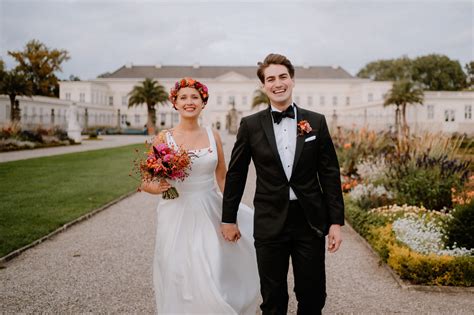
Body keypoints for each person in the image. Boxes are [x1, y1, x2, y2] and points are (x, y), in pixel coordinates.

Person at [221, 53, 345, 314]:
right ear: (263, 86)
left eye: (282, 77)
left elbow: (330, 174)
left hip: (309, 220)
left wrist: (335, 222)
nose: (277, 83)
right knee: (273, 297)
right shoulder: (250, 125)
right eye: (271, 79)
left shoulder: (316, 122)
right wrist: (228, 218)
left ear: (292, 80)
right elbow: (236, 174)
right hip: (269, 220)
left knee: (312, 295)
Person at [140, 77, 259, 314]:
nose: (189, 102)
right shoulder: (164, 138)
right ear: (174, 103)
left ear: (203, 102)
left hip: (209, 208)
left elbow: (223, 177)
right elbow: (146, 180)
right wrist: (157, 187)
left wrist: (231, 215)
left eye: (194, 97)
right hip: (175, 211)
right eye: (183, 97)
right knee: (178, 269)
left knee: (211, 266)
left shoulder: (212, 135)